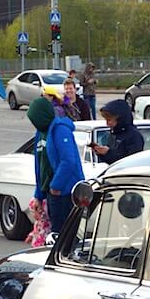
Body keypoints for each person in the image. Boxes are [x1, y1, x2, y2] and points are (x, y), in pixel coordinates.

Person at [27, 95, 84, 234]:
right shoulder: (40, 134)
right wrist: (38, 195)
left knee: (64, 233)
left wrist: (56, 186)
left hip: (64, 193)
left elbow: (68, 161)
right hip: (50, 192)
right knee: (54, 232)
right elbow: (40, 165)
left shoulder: (60, 130)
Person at [95, 99, 145, 164]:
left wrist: (109, 153)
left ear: (120, 119)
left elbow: (132, 161)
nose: (107, 124)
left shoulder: (134, 136)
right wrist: (102, 153)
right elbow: (111, 161)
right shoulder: (114, 133)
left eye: (109, 120)